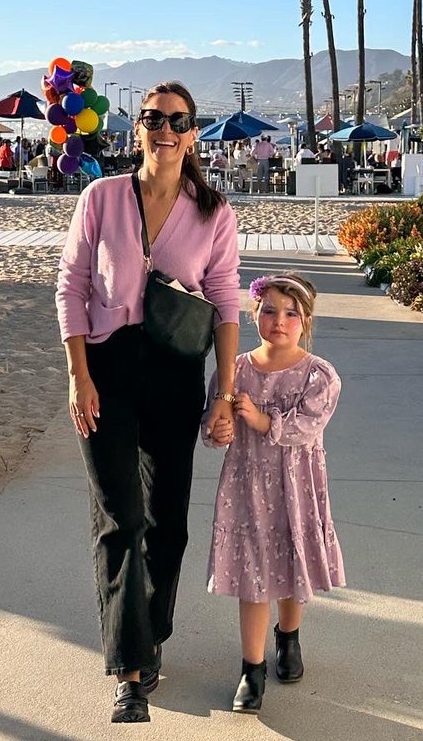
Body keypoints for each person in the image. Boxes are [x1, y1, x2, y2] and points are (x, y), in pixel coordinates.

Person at [56, 81, 241, 725]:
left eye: (178, 120)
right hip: (106, 369)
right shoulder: (101, 197)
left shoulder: (214, 212)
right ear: (138, 129)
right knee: (119, 518)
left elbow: (224, 301)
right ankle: (130, 668)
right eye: (152, 118)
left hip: (174, 371)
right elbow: (72, 287)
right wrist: (80, 376)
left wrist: (224, 391)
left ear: (192, 134)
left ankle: (152, 632)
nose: (164, 129)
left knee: (167, 522)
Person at [204, 272, 344, 715]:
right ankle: (252, 668)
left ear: (305, 321)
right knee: (252, 574)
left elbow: (306, 427)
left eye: (290, 314)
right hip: (246, 487)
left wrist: (263, 420)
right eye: (268, 311)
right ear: (254, 314)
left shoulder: (319, 375)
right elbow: (214, 423)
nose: (278, 321)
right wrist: (220, 427)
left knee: (288, 562)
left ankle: (289, 637)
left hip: (296, 487)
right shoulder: (236, 370)